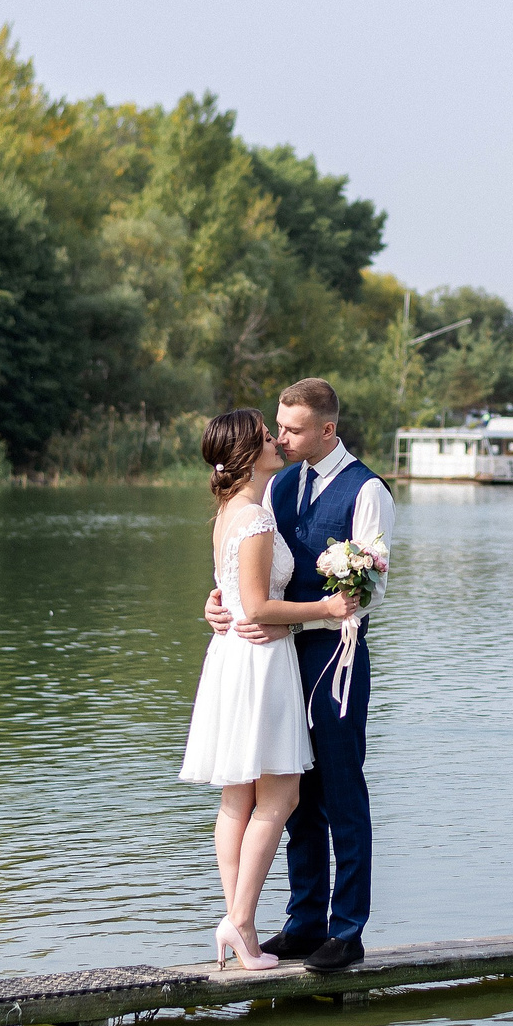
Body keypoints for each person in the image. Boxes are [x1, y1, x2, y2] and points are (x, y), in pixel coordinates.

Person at [205, 377, 394, 973]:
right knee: (293, 792)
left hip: (333, 656)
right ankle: (304, 920)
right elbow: (252, 573)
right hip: (277, 657)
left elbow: (370, 589)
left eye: (291, 428)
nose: (281, 438)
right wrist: (219, 604)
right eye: (277, 429)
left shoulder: (368, 492)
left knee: (340, 788)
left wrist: (299, 614)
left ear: (327, 430)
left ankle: (348, 929)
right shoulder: (278, 486)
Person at [181, 408, 361, 971]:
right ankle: (239, 922)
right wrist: (324, 608)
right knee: (279, 798)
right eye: (266, 436)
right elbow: (256, 606)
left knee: (238, 798)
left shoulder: (234, 511)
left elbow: (232, 592)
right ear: (244, 455)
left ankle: (240, 925)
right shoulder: (257, 519)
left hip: (236, 658)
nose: (276, 441)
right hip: (260, 661)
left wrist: (220, 605)